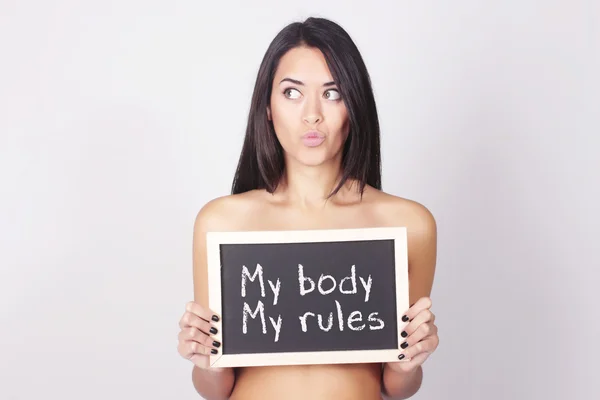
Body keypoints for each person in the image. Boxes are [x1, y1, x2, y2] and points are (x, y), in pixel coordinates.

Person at [177, 16, 439, 400]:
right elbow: (216, 387)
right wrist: (203, 358)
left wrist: (408, 362)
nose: (312, 114)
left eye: (332, 93)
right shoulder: (223, 223)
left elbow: (395, 386)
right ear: (267, 106)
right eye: (292, 92)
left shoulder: (407, 225)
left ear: (355, 105)